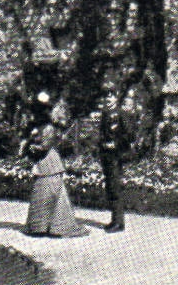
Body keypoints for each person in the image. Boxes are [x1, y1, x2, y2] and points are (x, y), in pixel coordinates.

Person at [19, 96, 86, 238]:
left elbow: (44, 146)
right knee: (49, 195)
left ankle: (49, 226)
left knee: (49, 194)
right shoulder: (40, 127)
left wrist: (29, 146)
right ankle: (44, 226)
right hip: (47, 165)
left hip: (49, 164)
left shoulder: (48, 128)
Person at [97, 97, 129, 233]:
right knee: (110, 186)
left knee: (115, 187)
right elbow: (102, 134)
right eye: (106, 96)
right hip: (106, 155)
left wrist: (116, 144)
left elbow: (128, 135)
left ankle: (118, 222)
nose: (107, 100)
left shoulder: (120, 114)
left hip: (116, 155)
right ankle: (114, 220)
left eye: (111, 96)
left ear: (116, 98)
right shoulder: (105, 114)